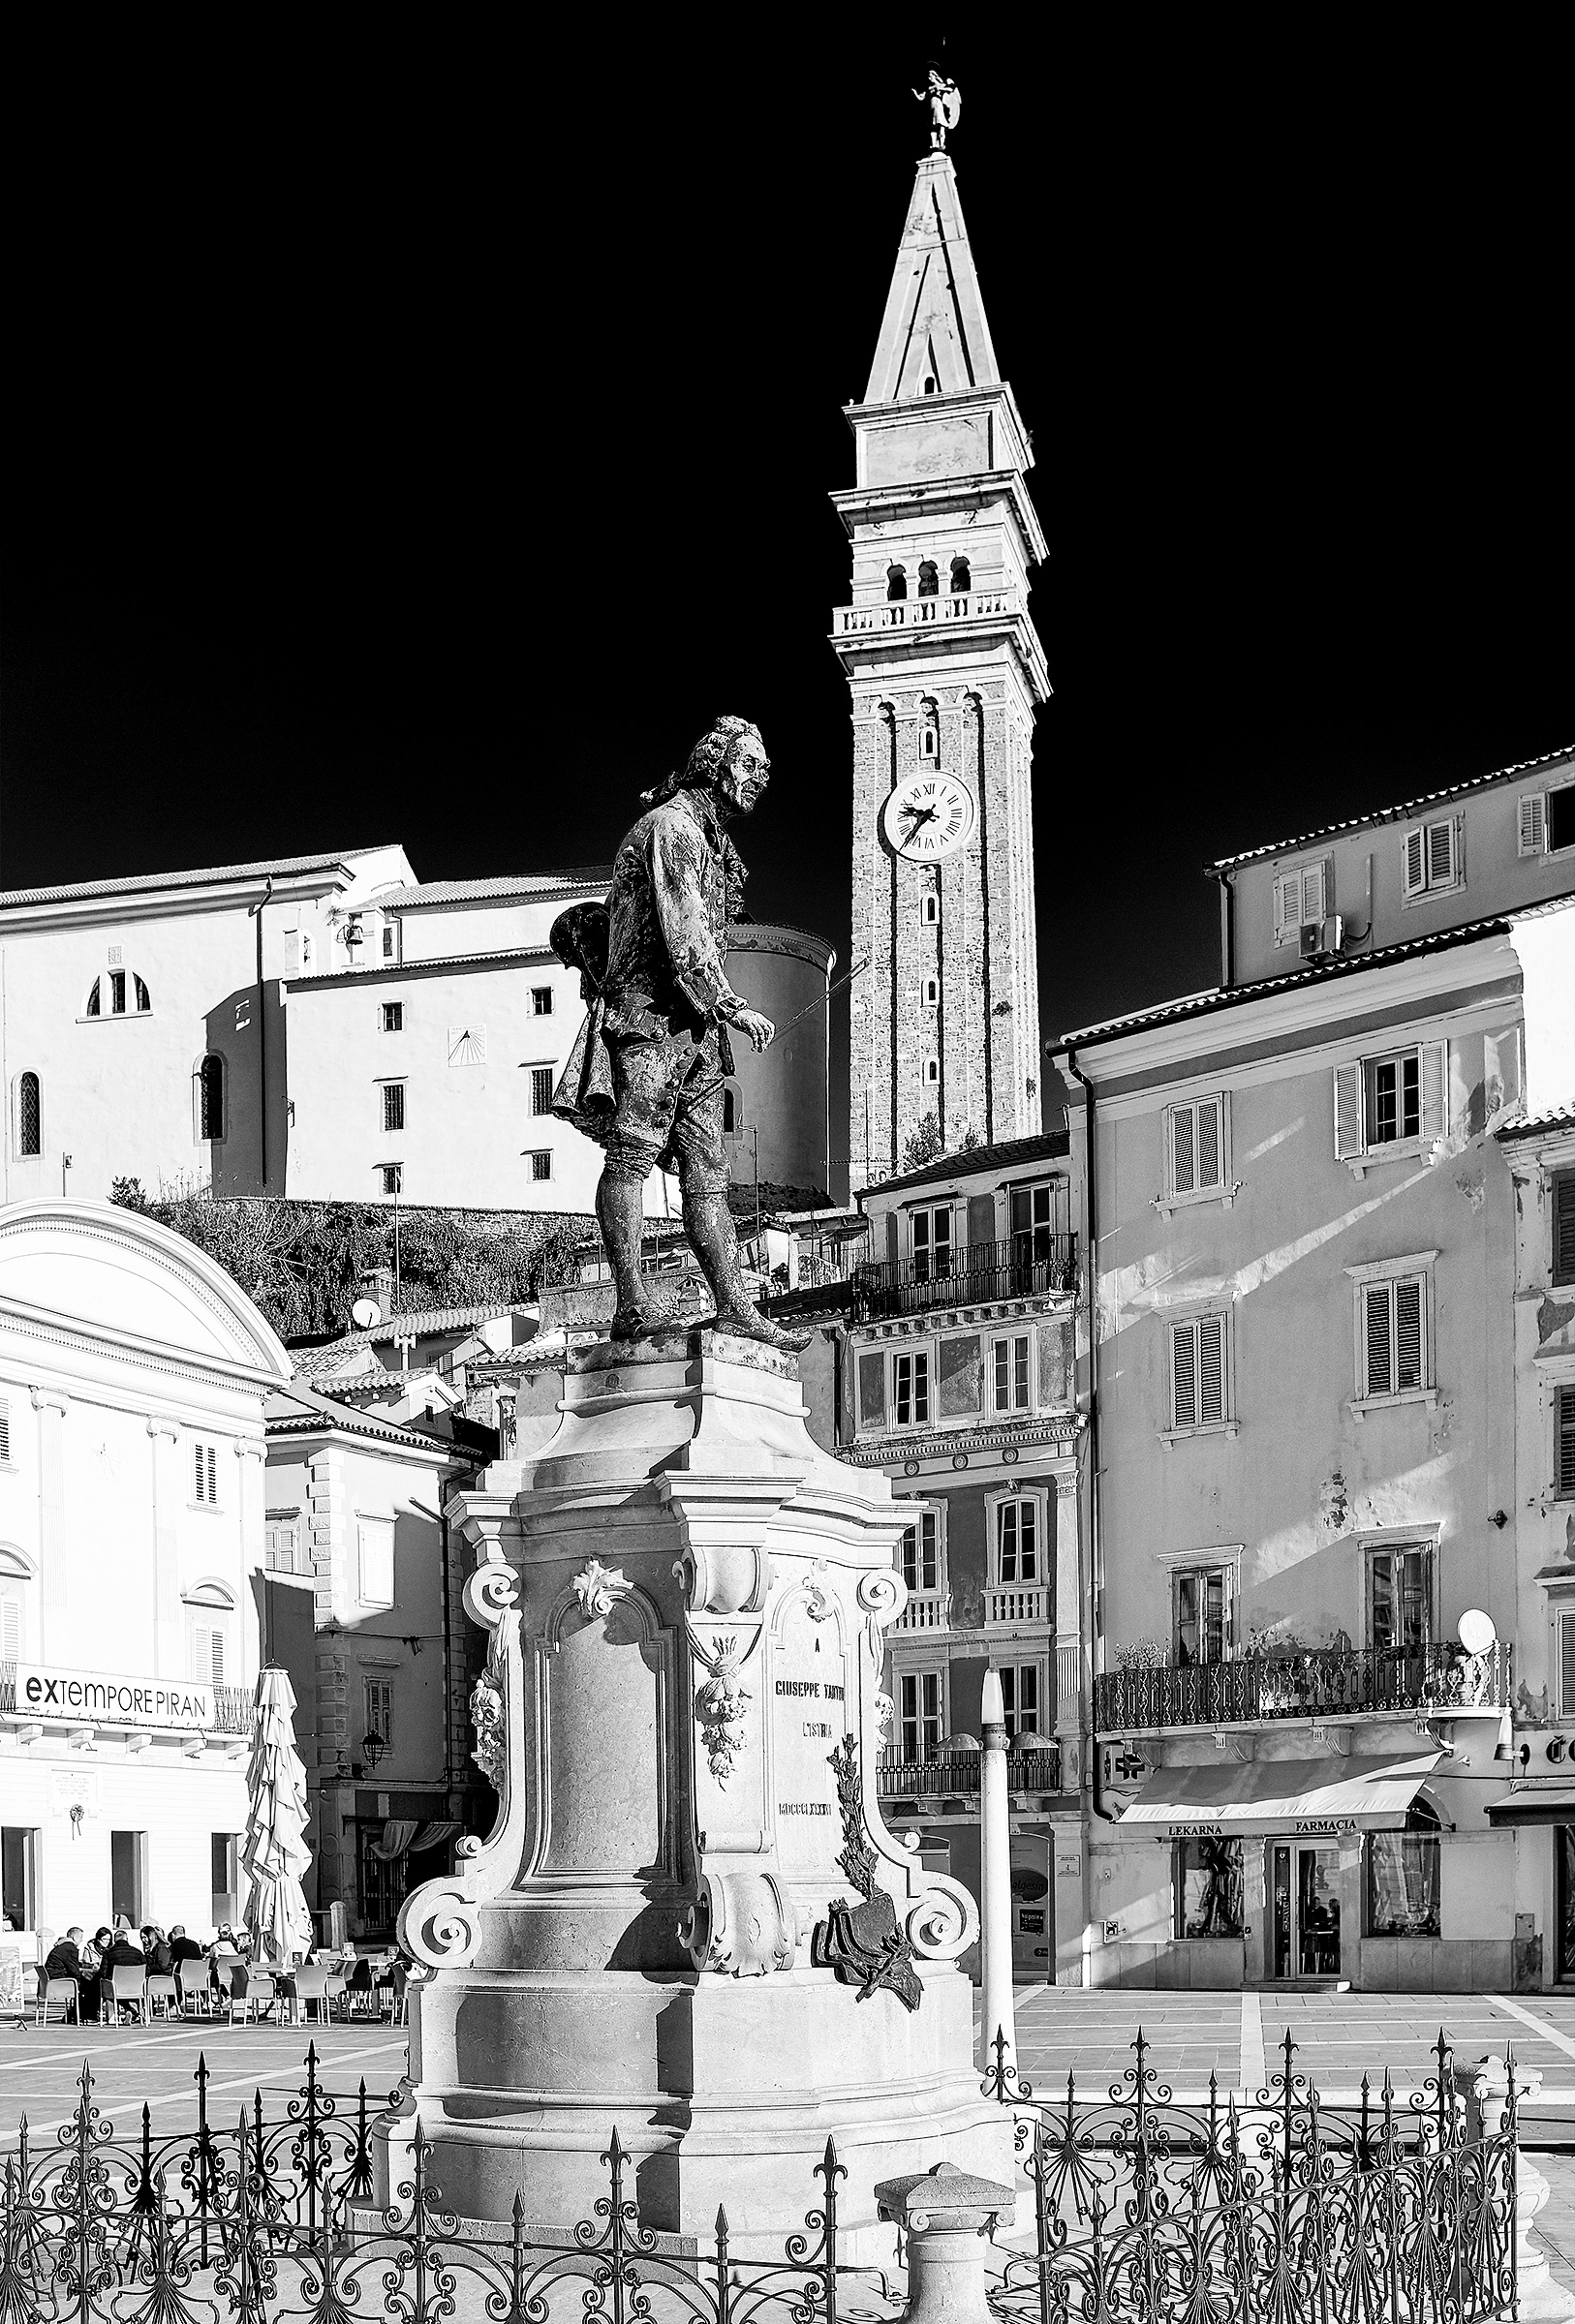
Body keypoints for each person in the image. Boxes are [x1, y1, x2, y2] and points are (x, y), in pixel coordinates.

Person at [550, 715, 807, 1355]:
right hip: (647, 1022)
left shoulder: (711, 842)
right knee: (633, 1154)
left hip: (692, 1033)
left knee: (708, 1172)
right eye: (751, 765)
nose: (760, 779)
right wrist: (729, 1004)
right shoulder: (675, 829)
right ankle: (632, 1307)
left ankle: (734, 1307)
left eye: (766, 771)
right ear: (715, 766)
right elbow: (682, 931)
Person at [43, 1925, 97, 2023]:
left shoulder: (61, 1947)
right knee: (91, 1987)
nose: (81, 1941)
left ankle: (74, 2014)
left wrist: (86, 1967)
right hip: (60, 1981)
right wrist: (81, 1980)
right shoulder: (70, 1949)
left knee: (86, 1986)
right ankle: (85, 2015)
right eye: (80, 1938)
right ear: (75, 1938)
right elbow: (74, 1970)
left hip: (52, 1979)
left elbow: (69, 1963)